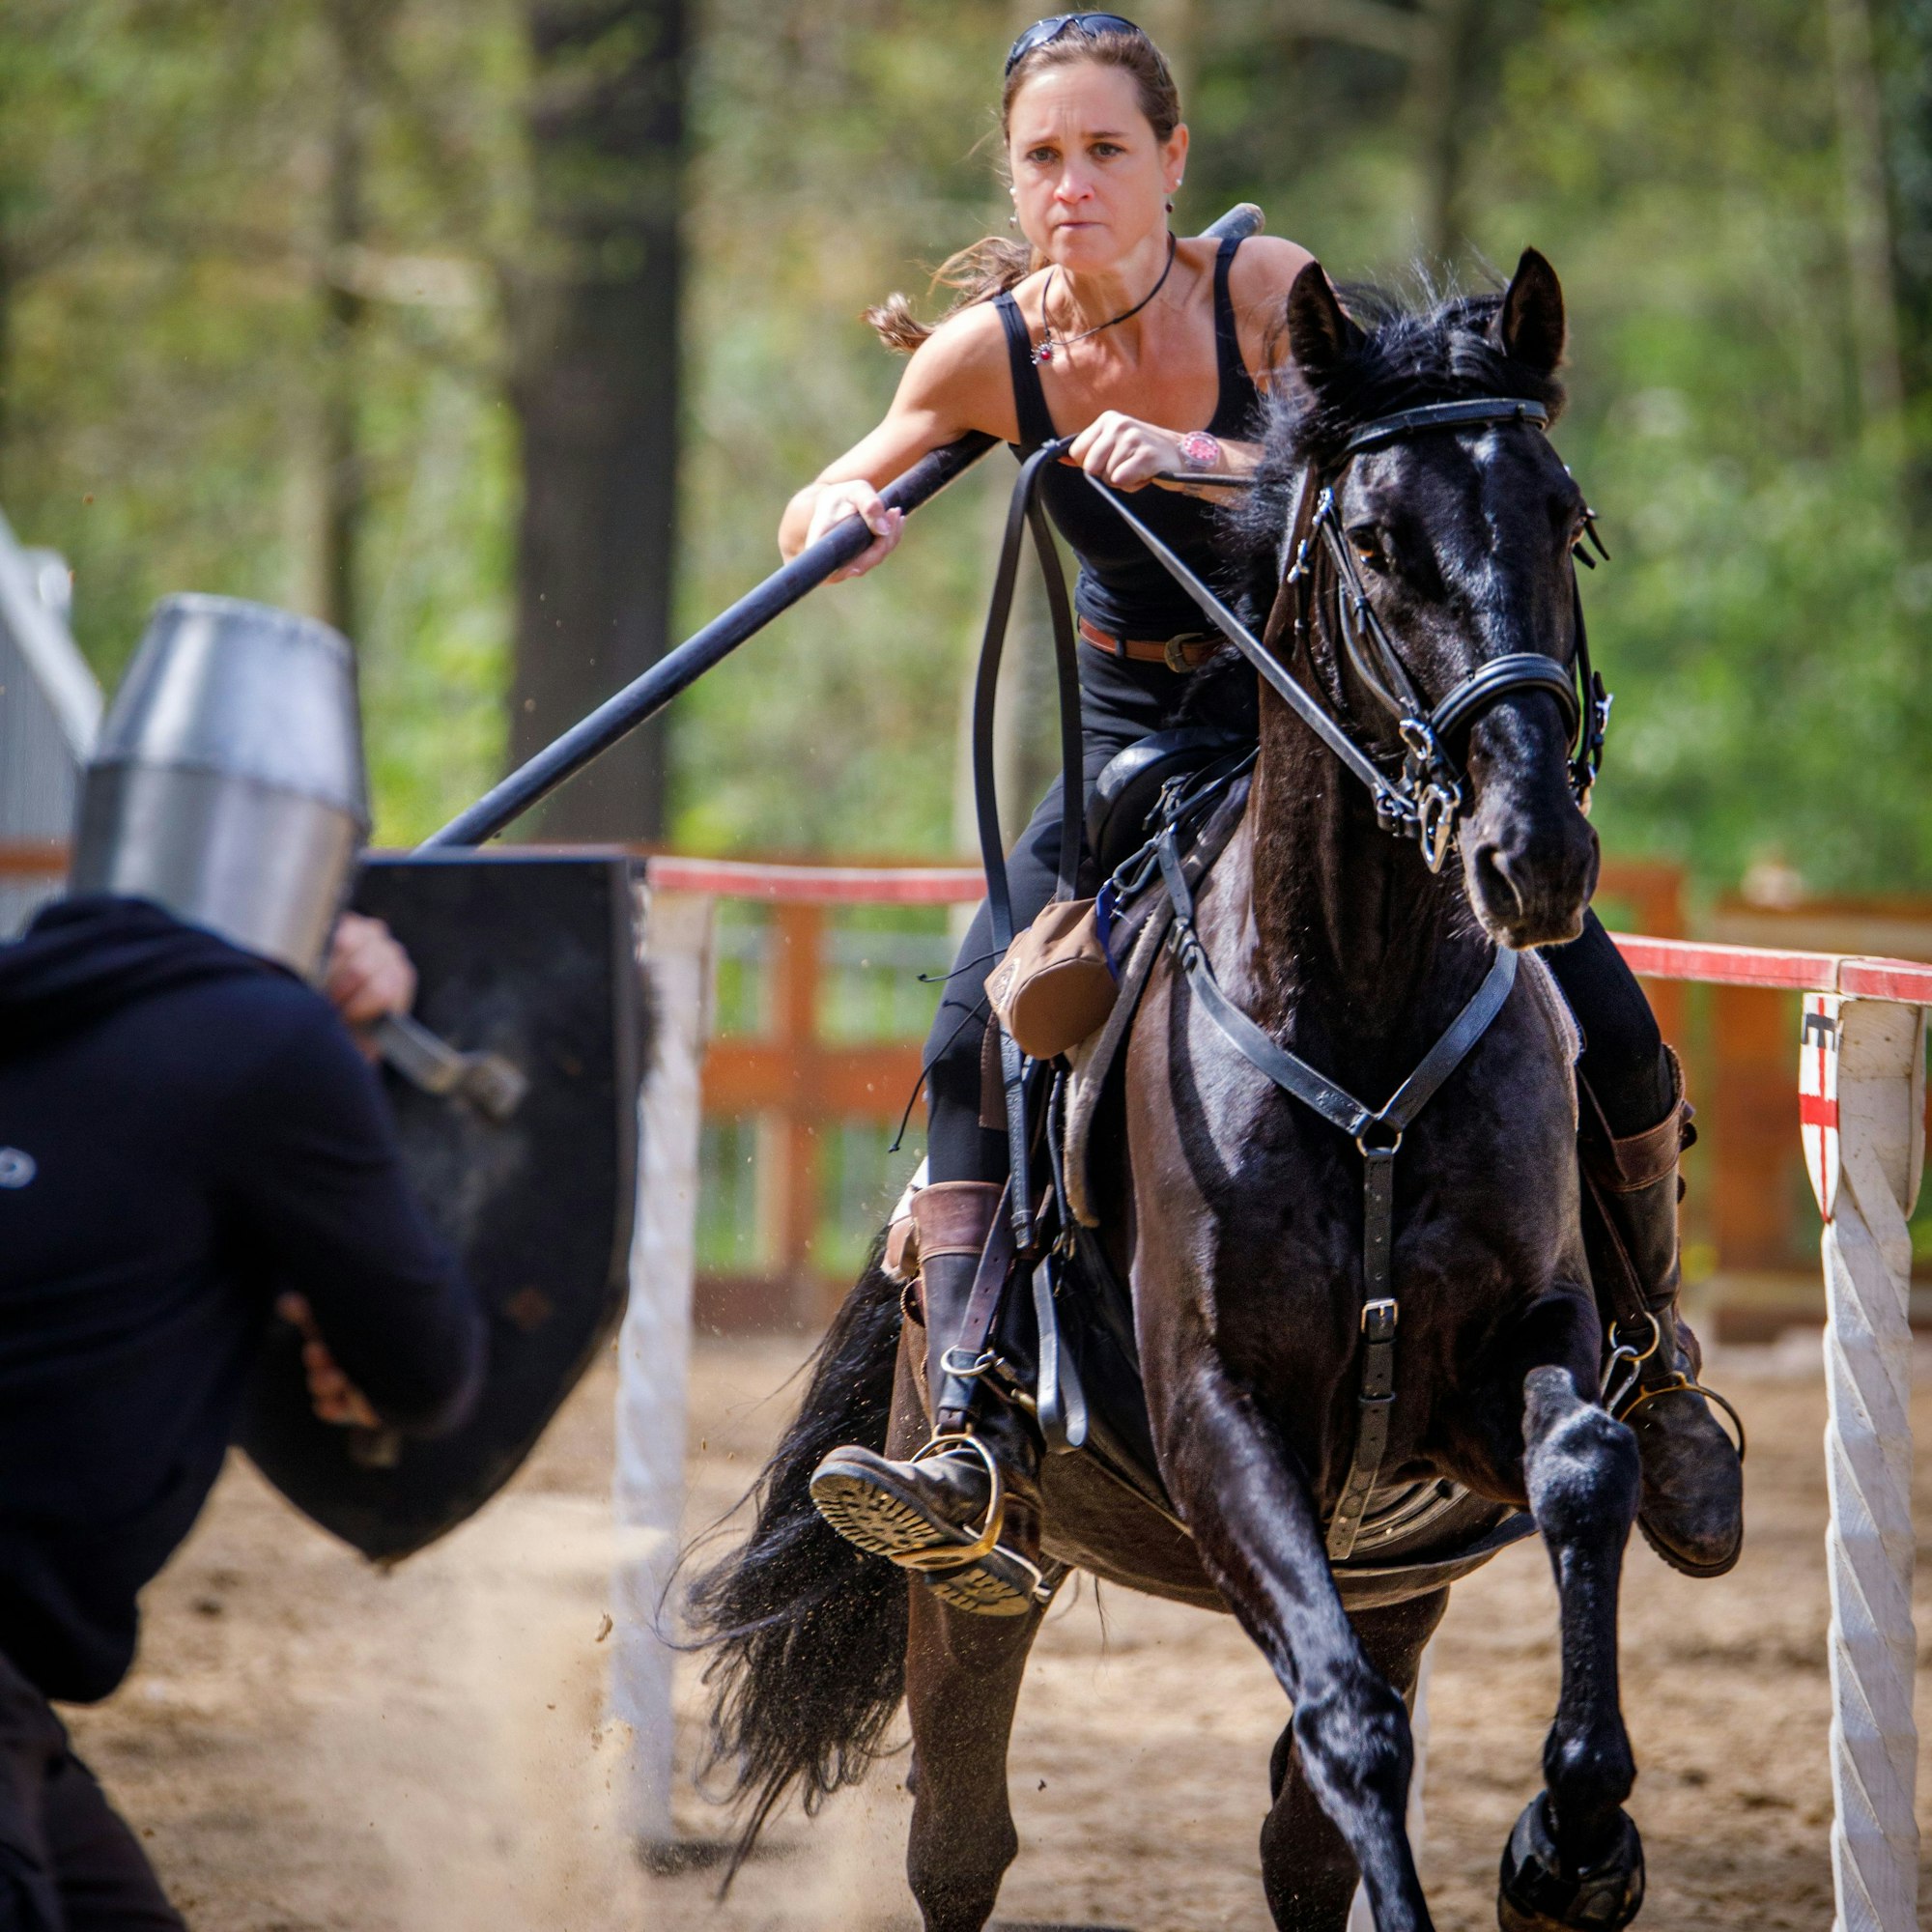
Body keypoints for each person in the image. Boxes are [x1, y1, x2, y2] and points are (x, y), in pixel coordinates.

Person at [795, 14, 1742, 1614]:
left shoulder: (1262, 293)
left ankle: (1648, 1368)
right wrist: (837, 511)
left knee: (1611, 1021)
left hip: (1333, 737)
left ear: (1174, 162)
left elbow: (1401, 479)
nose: (1074, 186)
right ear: (1012, 178)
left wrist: (1200, 456)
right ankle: (973, 1434)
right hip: (1129, 762)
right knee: (970, 1037)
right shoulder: (989, 357)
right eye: (1044, 157)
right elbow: (846, 471)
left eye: (1107, 151)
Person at [0, 596, 484, 1928]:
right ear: (319, 852)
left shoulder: (32, 992)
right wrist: (339, 1054)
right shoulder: (271, 1047)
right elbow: (423, 1368)